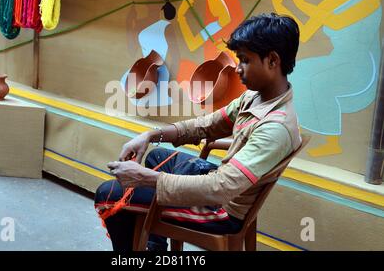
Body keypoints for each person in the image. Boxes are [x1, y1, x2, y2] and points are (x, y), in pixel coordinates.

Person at [95, 13, 302, 251]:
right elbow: (206, 125)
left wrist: (144, 178)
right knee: (156, 156)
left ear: (272, 61)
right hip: (223, 184)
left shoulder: (275, 127)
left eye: (245, 60)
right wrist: (150, 135)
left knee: (108, 195)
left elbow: (220, 188)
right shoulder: (255, 98)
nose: (237, 68)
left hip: (221, 210)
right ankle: (154, 246)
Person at [271, 0, 381, 157]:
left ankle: (332, 142)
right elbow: (303, 34)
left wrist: (303, 4)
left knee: (317, 80)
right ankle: (296, 131)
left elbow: (338, 21)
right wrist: (281, 6)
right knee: (297, 73)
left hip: (361, 66)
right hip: (337, 60)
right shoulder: (329, 2)